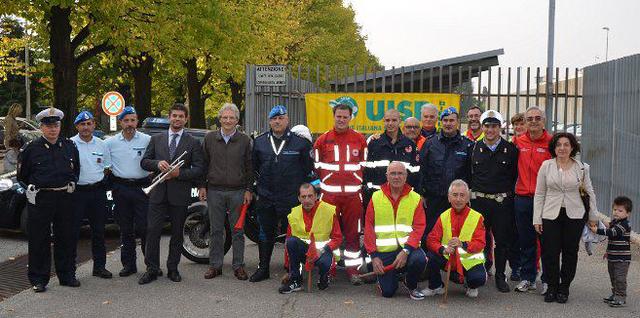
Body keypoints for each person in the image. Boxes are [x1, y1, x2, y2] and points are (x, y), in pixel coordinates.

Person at [138, 103, 205, 284]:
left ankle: (173, 268)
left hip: (179, 194)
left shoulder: (192, 142)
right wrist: (157, 164)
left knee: (177, 234)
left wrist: (179, 174)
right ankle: (152, 269)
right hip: (157, 193)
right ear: (169, 117)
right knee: (152, 232)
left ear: (186, 119)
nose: (177, 119)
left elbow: (199, 169)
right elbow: (144, 162)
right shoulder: (156, 139)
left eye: (181, 116)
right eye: (174, 115)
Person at [17, 107, 80, 293]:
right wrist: (30, 189)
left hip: (64, 198)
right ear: (41, 127)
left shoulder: (69, 146)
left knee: (66, 238)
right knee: (39, 240)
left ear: (60, 126)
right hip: (41, 198)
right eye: (48, 126)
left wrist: (72, 183)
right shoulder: (31, 149)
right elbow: (23, 176)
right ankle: (39, 279)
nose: (53, 129)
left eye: (56, 125)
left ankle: (67, 275)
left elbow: (76, 170)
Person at [250, 105, 313, 282]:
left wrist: (308, 195)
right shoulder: (260, 142)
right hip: (267, 197)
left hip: (292, 198)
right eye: (274, 118)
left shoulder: (301, 143)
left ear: (287, 120)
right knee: (265, 233)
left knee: (295, 235)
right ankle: (263, 269)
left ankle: (294, 270)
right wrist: (254, 189)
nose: (277, 121)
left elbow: (310, 172)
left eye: (281, 118)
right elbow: (252, 169)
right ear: (270, 121)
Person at [533, 132, 598, 303]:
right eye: (559, 145)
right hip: (550, 214)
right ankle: (552, 287)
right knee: (550, 252)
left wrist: (593, 216)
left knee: (570, 252)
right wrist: (537, 219)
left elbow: (589, 192)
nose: (562, 148)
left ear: (572, 147)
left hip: (575, 215)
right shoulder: (546, 165)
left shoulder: (582, 168)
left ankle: (564, 287)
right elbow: (539, 194)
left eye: (566, 144)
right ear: (554, 148)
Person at [313, 103, 367, 284]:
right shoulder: (322, 140)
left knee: (353, 234)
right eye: (339, 116)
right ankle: (330, 268)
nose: (342, 120)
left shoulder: (359, 139)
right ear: (333, 116)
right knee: (329, 234)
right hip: (329, 196)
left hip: (353, 197)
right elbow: (317, 167)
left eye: (345, 117)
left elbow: (364, 166)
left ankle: (353, 271)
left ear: (350, 118)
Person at [199, 103, 253, 280]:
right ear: (220, 119)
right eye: (225, 117)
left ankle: (238, 266)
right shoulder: (209, 139)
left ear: (237, 120)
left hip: (238, 191)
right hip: (215, 191)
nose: (228, 120)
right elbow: (203, 164)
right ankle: (215, 266)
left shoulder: (245, 140)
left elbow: (249, 167)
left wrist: (248, 190)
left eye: (231, 118)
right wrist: (202, 186)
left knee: (237, 231)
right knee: (216, 230)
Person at [469, 110, 519, 293]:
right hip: (479, 202)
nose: (490, 130)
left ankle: (500, 276)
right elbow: (468, 176)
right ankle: (480, 271)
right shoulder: (473, 148)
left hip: (501, 203)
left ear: (500, 128)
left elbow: (514, 177)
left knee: (502, 241)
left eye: (494, 126)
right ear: (482, 127)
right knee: (479, 240)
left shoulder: (511, 150)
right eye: (487, 126)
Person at [364, 161, 427, 300]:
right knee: (388, 292)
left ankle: (411, 284)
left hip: (408, 249)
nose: (396, 177)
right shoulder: (375, 197)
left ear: (406, 176)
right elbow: (368, 228)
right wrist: (374, 257)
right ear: (387, 176)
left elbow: (419, 227)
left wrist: (406, 251)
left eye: (400, 173)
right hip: (384, 252)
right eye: (393, 173)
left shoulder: (415, 198)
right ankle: (385, 281)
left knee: (419, 259)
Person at [105, 106, 152, 278]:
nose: (130, 124)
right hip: (121, 189)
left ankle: (151, 265)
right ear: (120, 123)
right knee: (125, 229)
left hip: (142, 189)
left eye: (133, 120)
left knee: (146, 228)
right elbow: (103, 165)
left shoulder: (147, 140)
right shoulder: (110, 142)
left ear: (137, 121)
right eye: (126, 121)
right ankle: (129, 265)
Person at [512, 106, 553, 294]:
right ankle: (528, 277)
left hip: (545, 200)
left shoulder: (552, 143)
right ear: (526, 122)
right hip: (522, 198)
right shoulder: (518, 142)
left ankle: (548, 279)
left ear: (543, 120)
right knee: (526, 240)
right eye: (530, 119)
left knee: (547, 241)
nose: (533, 121)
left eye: (537, 118)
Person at [424, 179, 486, 298]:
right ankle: (436, 286)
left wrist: (463, 244)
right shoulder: (444, 216)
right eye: (455, 195)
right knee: (431, 255)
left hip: (469, 262)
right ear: (449, 198)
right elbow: (431, 239)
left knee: (478, 279)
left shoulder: (477, 217)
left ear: (468, 198)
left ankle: (470, 285)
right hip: (450, 258)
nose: (458, 199)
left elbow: (480, 243)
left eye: (462, 195)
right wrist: (442, 249)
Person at [70, 111, 112, 279]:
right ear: (77, 127)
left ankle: (99, 267)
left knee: (99, 231)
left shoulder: (102, 144)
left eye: (89, 123)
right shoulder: (70, 144)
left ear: (94, 125)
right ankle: (70, 270)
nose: (86, 127)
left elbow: (107, 167)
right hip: (77, 193)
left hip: (97, 192)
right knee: (72, 232)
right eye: (82, 124)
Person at [278, 183, 342, 293]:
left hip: (323, 252)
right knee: (292, 241)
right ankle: (295, 280)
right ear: (299, 198)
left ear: (316, 196)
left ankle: (324, 276)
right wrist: (288, 268)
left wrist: (322, 249)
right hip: (305, 252)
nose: (307, 200)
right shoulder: (294, 214)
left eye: (310, 196)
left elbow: (337, 238)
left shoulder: (328, 211)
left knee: (324, 262)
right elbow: (288, 242)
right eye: (303, 197)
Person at [419, 107, 473, 235]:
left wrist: (468, 194)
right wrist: (421, 193)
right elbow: (422, 169)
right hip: (434, 199)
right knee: (432, 233)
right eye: (445, 120)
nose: (448, 124)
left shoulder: (467, 145)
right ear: (441, 122)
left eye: (452, 120)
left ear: (458, 122)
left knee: (456, 233)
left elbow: (471, 172)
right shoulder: (430, 143)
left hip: (457, 201)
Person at [363, 109, 419, 207]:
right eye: (387, 120)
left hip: (403, 197)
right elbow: (368, 171)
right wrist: (369, 194)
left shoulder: (409, 144)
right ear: (383, 121)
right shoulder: (374, 143)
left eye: (394, 120)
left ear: (399, 121)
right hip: (378, 196)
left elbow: (415, 173)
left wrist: (413, 194)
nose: (390, 123)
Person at [590, 196, 632, 308]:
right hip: (612, 256)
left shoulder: (625, 225)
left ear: (627, 213)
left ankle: (621, 297)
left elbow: (612, 232)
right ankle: (615, 294)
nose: (616, 212)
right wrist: (607, 252)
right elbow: (610, 230)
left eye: (620, 210)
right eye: (615, 210)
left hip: (622, 258)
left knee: (620, 278)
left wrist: (597, 230)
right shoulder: (615, 222)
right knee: (613, 276)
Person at [3, 103, 22, 172]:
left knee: (15, 160)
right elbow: (7, 132)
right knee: (11, 161)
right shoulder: (9, 118)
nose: (20, 112)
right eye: (19, 110)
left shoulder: (13, 119)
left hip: (15, 142)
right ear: (15, 110)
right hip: (11, 143)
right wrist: (8, 147)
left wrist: (19, 127)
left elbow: (13, 130)